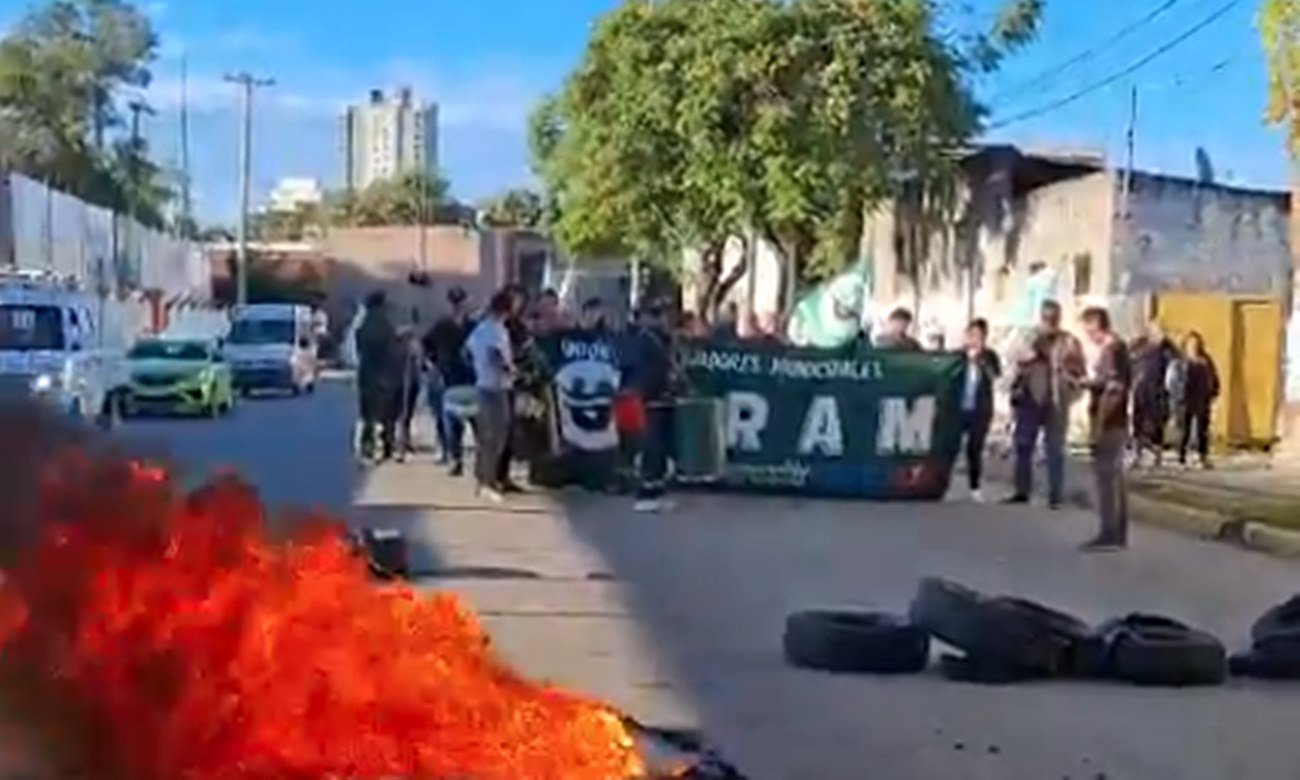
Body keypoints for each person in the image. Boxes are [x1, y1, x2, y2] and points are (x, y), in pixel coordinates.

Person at [1006, 299, 1086, 509]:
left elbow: (1079, 372)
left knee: (1055, 450)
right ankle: (1021, 491)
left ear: (1059, 318)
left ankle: (1055, 496)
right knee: (1024, 445)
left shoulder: (1068, 342)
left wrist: (1071, 391)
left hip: (1056, 401)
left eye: (1053, 317)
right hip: (1030, 398)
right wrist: (1031, 351)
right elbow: (1013, 359)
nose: (1049, 322)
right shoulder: (1027, 336)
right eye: (1046, 317)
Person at [1080, 306, 1132, 552]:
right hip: (1114, 421)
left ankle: (1109, 532)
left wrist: (1099, 427)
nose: (1087, 333)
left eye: (1088, 327)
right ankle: (1117, 532)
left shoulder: (1112, 351)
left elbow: (1113, 390)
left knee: (1106, 478)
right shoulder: (1117, 350)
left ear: (1097, 325)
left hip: (1109, 422)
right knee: (1114, 477)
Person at [623, 306, 676, 513]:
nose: (662, 319)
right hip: (650, 399)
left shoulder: (662, 339)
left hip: (663, 398)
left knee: (661, 447)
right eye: (656, 315)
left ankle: (658, 492)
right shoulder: (644, 340)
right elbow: (644, 370)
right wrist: (643, 391)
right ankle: (646, 493)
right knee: (651, 446)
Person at [465, 292, 515, 503]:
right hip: (496, 388)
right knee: (496, 437)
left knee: (488, 436)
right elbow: (495, 355)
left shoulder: (480, 329)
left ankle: (484, 478)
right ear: (506, 309)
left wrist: (478, 369)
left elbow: (466, 352)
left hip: (483, 385)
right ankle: (487, 482)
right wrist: (509, 370)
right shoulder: (496, 330)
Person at [422, 287, 475, 475]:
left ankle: (479, 461)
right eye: (456, 303)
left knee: (475, 418)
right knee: (450, 420)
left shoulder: (473, 326)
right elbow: (426, 343)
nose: (459, 306)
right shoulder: (442, 325)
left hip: (470, 376)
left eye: (461, 302)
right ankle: (455, 458)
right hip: (448, 375)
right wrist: (432, 362)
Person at [958, 319, 1001, 502]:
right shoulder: (958, 355)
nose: (973, 339)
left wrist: (980, 362)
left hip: (980, 409)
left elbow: (995, 375)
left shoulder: (990, 356)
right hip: (958, 407)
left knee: (974, 448)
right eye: (970, 335)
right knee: (950, 445)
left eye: (977, 336)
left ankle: (974, 487)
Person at [355, 291, 400, 462]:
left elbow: (359, 349)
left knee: (368, 414)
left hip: (366, 373)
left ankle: (368, 445)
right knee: (386, 413)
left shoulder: (363, 326)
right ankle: (387, 444)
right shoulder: (386, 326)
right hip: (383, 374)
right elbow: (392, 351)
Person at [1130, 321, 1180, 468]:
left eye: (1157, 331)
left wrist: (1166, 341)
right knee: (1137, 421)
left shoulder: (1165, 349)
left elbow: (1176, 359)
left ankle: (1156, 453)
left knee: (1156, 422)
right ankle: (1137, 453)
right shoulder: (1140, 345)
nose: (1154, 333)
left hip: (1158, 390)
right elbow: (1128, 358)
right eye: (1152, 330)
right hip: (1140, 389)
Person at [1178, 331, 1220, 469]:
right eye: (1191, 344)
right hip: (1187, 398)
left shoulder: (1205, 360)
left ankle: (1202, 455)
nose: (1194, 346)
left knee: (1203, 429)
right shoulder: (1183, 361)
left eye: (1196, 343)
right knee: (1185, 429)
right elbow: (1177, 381)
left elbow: (1213, 377)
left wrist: (1214, 391)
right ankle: (1182, 457)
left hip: (1203, 398)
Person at [393, 325, 426, 462]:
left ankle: (403, 445)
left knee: (404, 416)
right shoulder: (414, 347)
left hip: (407, 383)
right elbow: (420, 365)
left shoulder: (406, 348)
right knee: (405, 416)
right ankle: (403, 444)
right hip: (410, 383)